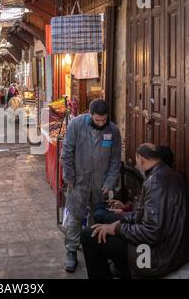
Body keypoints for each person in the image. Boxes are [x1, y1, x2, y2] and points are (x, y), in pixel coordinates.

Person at [81, 143, 189, 279]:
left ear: (141, 159)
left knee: (88, 236)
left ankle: (123, 269)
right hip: (168, 247)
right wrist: (118, 224)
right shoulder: (164, 174)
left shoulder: (156, 183)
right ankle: (123, 269)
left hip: (159, 256)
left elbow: (151, 233)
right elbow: (141, 213)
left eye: (137, 160)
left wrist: (117, 229)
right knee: (102, 226)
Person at [60, 99, 122, 273]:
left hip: (101, 183)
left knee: (98, 216)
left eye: (104, 120)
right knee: (75, 215)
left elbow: (116, 159)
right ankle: (71, 250)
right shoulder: (76, 125)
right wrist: (69, 175)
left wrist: (110, 182)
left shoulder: (113, 131)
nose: (101, 123)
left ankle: (95, 249)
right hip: (79, 180)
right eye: (97, 120)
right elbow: (67, 151)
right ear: (90, 114)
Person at [94, 145, 176, 225]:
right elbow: (144, 208)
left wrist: (123, 215)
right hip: (134, 217)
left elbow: (146, 220)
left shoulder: (157, 183)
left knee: (99, 214)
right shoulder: (157, 177)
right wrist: (126, 207)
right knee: (99, 206)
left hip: (137, 224)